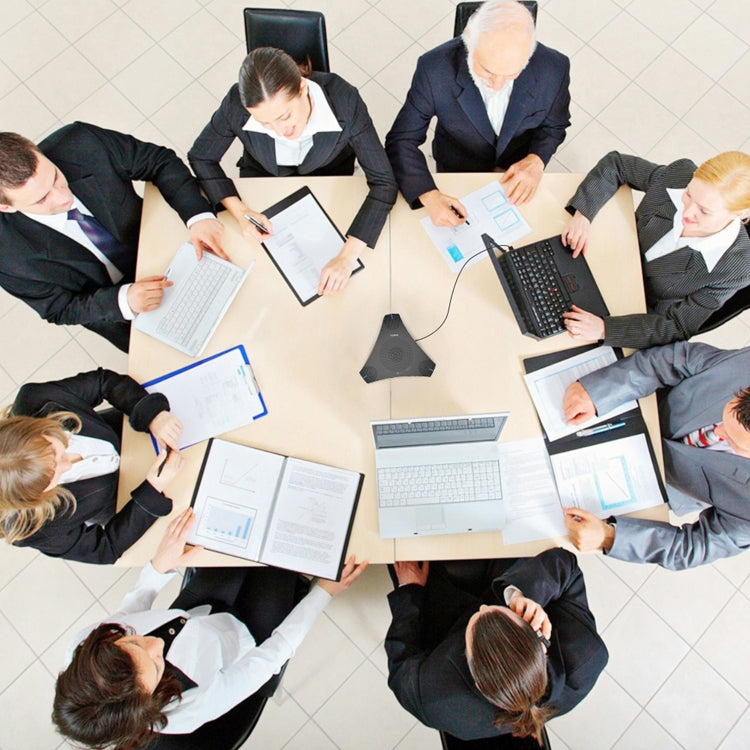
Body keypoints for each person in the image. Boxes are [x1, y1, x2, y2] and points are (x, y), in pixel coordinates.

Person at [52, 508, 367, 747]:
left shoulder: (86, 646)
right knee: (287, 549)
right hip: (249, 641)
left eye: (134, 642)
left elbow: (128, 613)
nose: (157, 644)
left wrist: (159, 565)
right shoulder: (186, 710)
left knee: (248, 526)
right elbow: (272, 655)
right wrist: (324, 592)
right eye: (157, 665)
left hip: (197, 611)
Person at [188, 47, 397, 296]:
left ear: (302, 87)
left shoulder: (345, 100)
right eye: (265, 123)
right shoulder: (236, 103)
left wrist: (346, 257)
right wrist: (240, 212)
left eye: (284, 116)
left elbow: (384, 182)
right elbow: (201, 156)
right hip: (263, 181)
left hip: (327, 180)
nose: (279, 131)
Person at [0, 124, 227, 352]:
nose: (63, 197)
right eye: (41, 199)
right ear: (6, 207)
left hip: (168, 245)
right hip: (118, 307)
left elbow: (159, 161)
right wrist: (123, 301)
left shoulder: (82, 142)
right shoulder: (7, 258)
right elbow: (58, 308)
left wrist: (198, 216)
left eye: (55, 177)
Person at [385, 549, 607, 743]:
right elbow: (566, 565)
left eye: (475, 624)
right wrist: (519, 594)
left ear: (477, 681)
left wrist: (410, 589)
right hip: (513, 578)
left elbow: (401, 658)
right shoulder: (586, 656)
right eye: (502, 614)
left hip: (445, 614)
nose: (482, 608)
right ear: (539, 643)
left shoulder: (433, 699)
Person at [562, 342, 750, 570]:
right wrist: (599, 391)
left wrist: (609, 536)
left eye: (732, 440)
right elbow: (677, 359)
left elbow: (692, 547)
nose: (717, 432)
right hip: (642, 408)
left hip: (659, 486)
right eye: (724, 417)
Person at [385, 0, 570, 225]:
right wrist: (429, 195)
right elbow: (401, 140)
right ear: (469, 40)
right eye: (487, 70)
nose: (498, 86)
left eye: (511, 74)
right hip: (458, 167)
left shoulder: (554, 68)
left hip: (516, 170)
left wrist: (536, 159)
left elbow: (555, 125)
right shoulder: (434, 69)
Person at [561, 150, 750, 349]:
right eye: (688, 194)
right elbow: (617, 164)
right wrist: (583, 216)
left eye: (704, 211)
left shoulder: (736, 268)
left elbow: (678, 326)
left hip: (632, 309)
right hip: (609, 255)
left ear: (738, 214)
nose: (687, 212)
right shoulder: (680, 174)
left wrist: (604, 329)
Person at [0, 368, 183, 564]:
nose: (67, 465)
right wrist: (152, 490)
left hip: (133, 434)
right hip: (126, 500)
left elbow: (102, 382)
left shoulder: (35, 398)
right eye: (53, 478)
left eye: (58, 452)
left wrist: (151, 414)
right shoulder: (32, 528)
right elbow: (105, 548)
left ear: (35, 429)